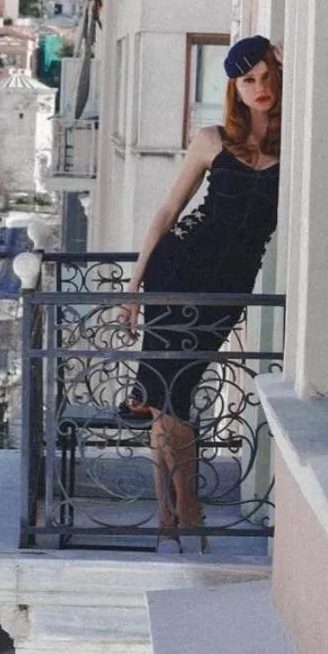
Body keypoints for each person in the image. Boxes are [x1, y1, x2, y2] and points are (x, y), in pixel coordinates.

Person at [120, 35, 281, 553]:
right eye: (248, 80)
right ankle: (176, 509)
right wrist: (134, 287)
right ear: (234, 87)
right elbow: (168, 212)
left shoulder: (294, 144)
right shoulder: (213, 140)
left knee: (175, 390)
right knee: (167, 396)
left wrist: (289, 59)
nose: (260, 88)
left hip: (228, 285)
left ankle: (179, 507)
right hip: (177, 271)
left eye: (267, 77)